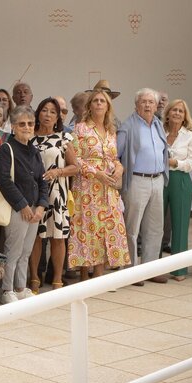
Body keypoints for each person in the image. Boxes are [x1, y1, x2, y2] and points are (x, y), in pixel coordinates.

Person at [69, 89, 129, 278]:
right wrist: (97, 174)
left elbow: (114, 158)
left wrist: (120, 168)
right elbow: (75, 159)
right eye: (95, 100)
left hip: (108, 188)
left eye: (103, 101)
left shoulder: (111, 131)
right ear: (89, 105)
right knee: (87, 228)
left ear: (108, 106)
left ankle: (100, 274)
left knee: (107, 228)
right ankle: (85, 274)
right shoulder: (80, 128)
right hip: (87, 186)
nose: (99, 103)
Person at [0, 105, 49, 301]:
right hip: (17, 208)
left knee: (26, 251)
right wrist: (23, 206)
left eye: (30, 123)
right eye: (22, 124)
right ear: (13, 126)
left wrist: (41, 206)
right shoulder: (5, 149)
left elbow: (42, 180)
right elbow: (4, 181)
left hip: (35, 209)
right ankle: (7, 290)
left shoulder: (34, 151)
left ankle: (20, 286)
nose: (27, 127)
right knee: (13, 250)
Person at [117, 89, 169, 284]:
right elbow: (116, 155)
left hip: (157, 180)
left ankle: (150, 269)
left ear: (156, 106)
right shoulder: (127, 127)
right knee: (132, 228)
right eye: (143, 102)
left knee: (155, 228)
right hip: (136, 180)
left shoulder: (157, 124)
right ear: (136, 105)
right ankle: (131, 271)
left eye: (151, 102)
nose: (147, 105)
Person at [30, 97, 77, 291]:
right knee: (36, 237)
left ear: (58, 117)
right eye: (44, 110)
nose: (47, 115)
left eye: (52, 112)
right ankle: (34, 278)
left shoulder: (64, 138)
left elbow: (75, 167)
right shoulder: (28, 137)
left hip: (57, 193)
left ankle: (57, 279)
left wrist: (58, 171)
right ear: (38, 113)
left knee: (58, 237)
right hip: (33, 194)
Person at [162, 99, 192, 281]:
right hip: (160, 180)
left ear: (185, 116)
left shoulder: (191, 136)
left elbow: (191, 163)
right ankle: (156, 267)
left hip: (180, 179)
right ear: (167, 114)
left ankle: (179, 269)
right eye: (174, 110)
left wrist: (175, 162)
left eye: (180, 111)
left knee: (180, 225)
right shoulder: (160, 132)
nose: (176, 113)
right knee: (156, 225)